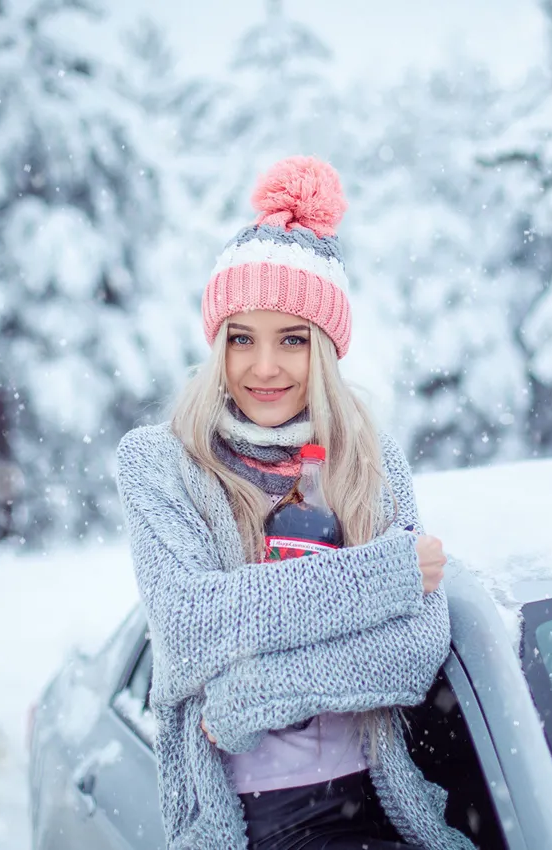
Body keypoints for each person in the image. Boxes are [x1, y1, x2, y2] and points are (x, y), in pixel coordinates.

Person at [115, 156, 475, 850]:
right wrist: (383, 577)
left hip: (376, 799)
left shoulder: (370, 459)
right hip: (248, 818)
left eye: (293, 340)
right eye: (242, 339)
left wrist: (258, 691)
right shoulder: (160, 463)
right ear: (216, 344)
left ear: (327, 351)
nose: (264, 367)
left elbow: (416, 647)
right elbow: (190, 623)